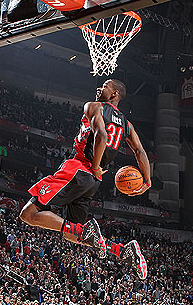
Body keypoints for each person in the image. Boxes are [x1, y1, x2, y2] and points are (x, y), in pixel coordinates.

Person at [20, 79, 150, 280]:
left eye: (105, 85)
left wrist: (96, 167)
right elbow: (140, 151)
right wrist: (147, 181)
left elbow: (101, 135)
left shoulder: (94, 106)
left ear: (114, 93)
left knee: (27, 214)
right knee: (73, 234)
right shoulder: (127, 124)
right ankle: (123, 251)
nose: (100, 88)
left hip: (78, 168)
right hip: (92, 182)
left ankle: (94, 235)